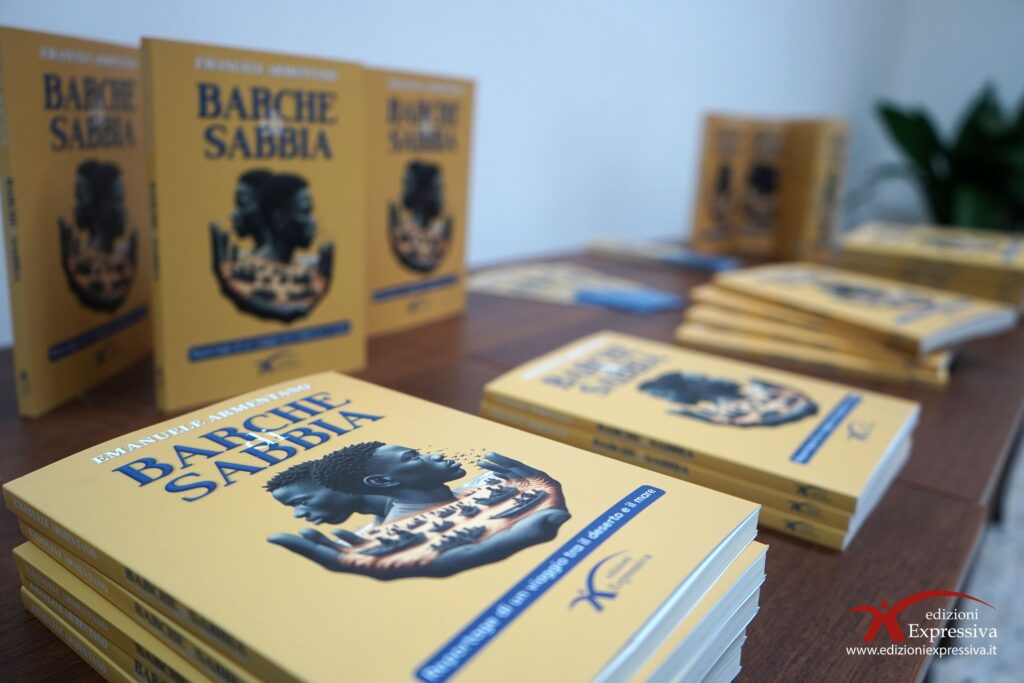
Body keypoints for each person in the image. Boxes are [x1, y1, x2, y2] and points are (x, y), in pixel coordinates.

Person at [267, 443, 570, 579]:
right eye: (413, 456)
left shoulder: (495, 483)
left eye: (301, 501)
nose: (299, 514)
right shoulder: (382, 543)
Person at [256, 173, 316, 263]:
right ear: (279, 220)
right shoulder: (250, 270)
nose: (312, 221)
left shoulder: (301, 266)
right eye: (305, 212)